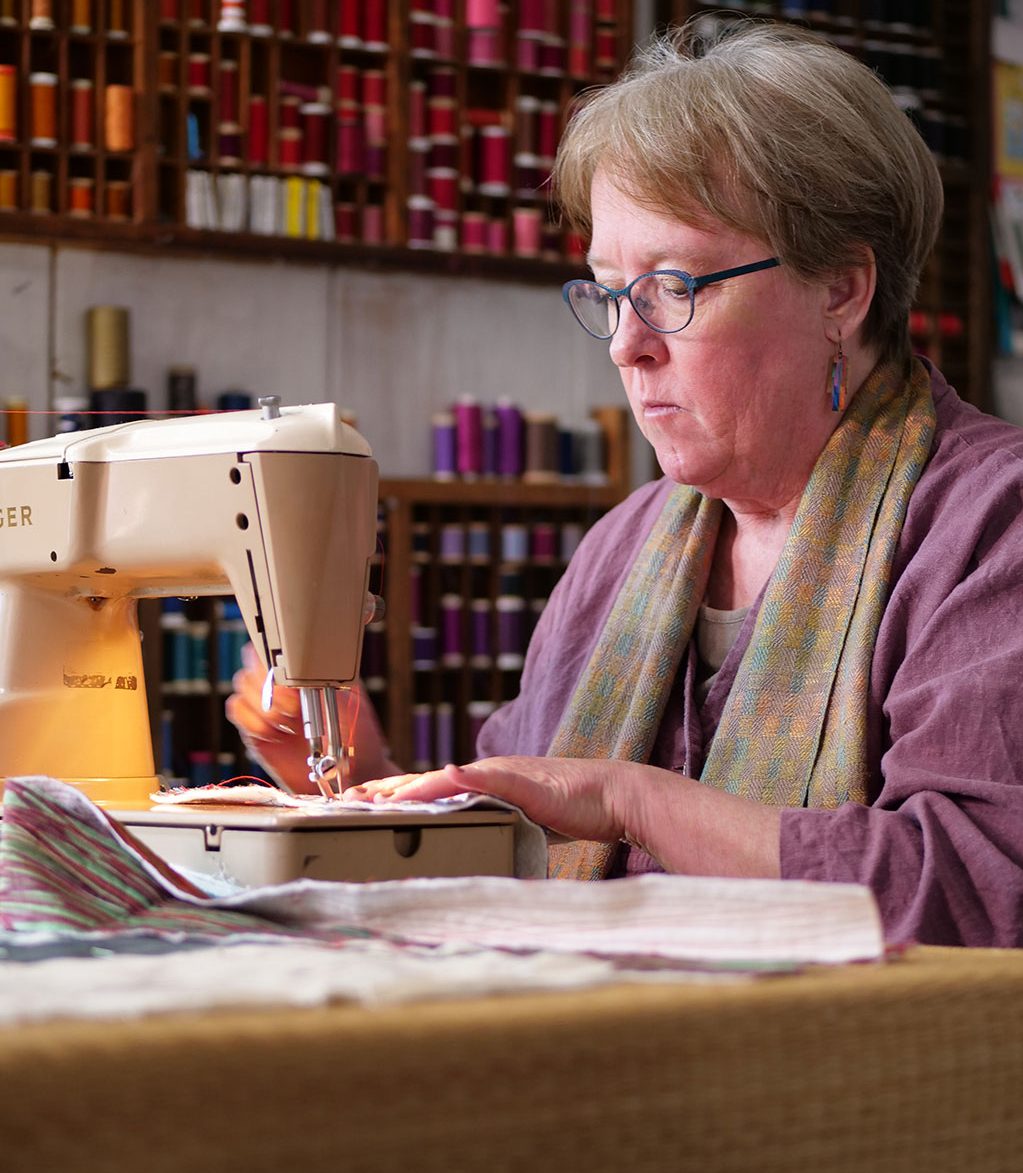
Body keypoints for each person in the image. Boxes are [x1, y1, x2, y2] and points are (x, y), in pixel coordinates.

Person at [228, 18, 1023, 949]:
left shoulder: (988, 525)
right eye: (609, 292)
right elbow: (519, 855)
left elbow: (979, 888)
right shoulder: (625, 549)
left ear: (840, 289)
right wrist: (357, 770)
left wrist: (629, 798)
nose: (625, 343)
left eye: (674, 285)